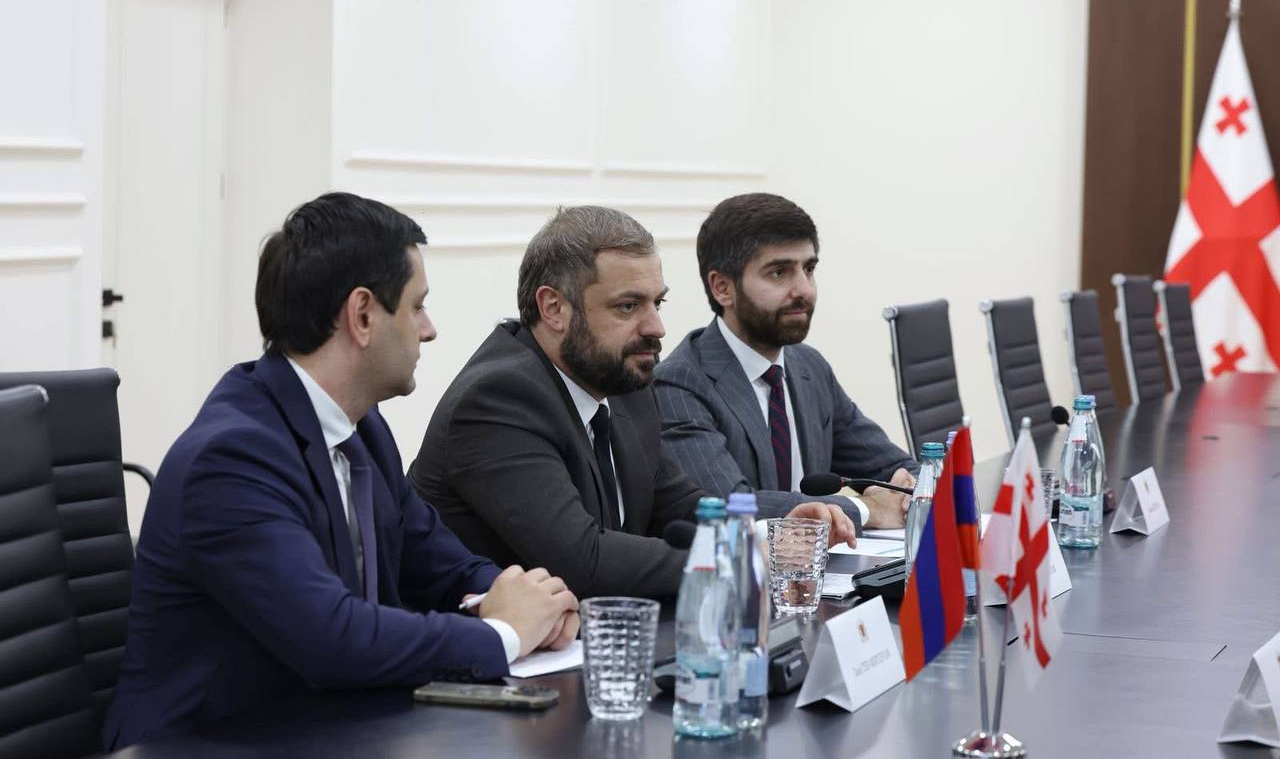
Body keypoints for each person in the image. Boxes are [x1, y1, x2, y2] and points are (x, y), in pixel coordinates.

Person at [104, 193, 579, 749]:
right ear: (362, 315)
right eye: (417, 307)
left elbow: (440, 563)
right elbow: (331, 636)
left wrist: (531, 604)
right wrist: (504, 633)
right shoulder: (232, 459)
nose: (429, 330)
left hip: (329, 728)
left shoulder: (361, 429)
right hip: (204, 744)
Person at [409, 206, 855, 599]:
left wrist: (772, 533)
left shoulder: (624, 384)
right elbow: (582, 559)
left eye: (657, 303)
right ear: (554, 308)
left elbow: (680, 505)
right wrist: (733, 561)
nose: (656, 327)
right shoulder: (499, 399)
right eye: (628, 306)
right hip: (495, 657)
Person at [653, 192, 917, 530]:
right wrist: (865, 509)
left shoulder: (808, 366)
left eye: (809, 269)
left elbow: (894, 467)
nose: (803, 289)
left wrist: (913, 489)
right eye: (779, 273)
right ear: (722, 288)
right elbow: (726, 504)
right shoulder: (680, 384)